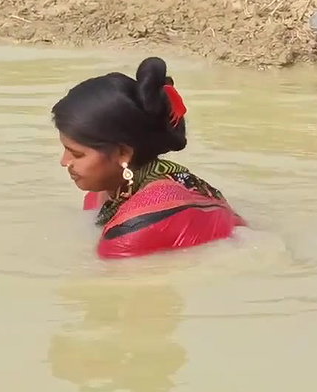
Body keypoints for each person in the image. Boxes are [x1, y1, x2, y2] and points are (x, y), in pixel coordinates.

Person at [51, 56, 244, 259]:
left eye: (77, 154)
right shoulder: (104, 193)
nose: (64, 162)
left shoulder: (136, 226)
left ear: (123, 153)